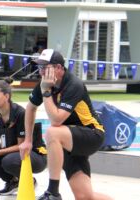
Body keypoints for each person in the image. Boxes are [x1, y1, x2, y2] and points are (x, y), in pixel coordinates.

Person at [19, 49, 113, 200]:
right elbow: (30, 108)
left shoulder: (73, 84)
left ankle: (53, 192)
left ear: (59, 68)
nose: (41, 71)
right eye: (39, 67)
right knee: (85, 197)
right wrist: (28, 140)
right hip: (68, 140)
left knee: (52, 132)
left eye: (45, 67)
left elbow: (56, 120)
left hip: (92, 134)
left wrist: (46, 92)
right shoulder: (44, 84)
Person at [0, 78, 47, 196]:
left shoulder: (20, 113)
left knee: (8, 161)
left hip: (35, 155)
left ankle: (29, 181)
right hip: (12, 153)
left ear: (6, 96)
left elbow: (21, 146)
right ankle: (13, 181)